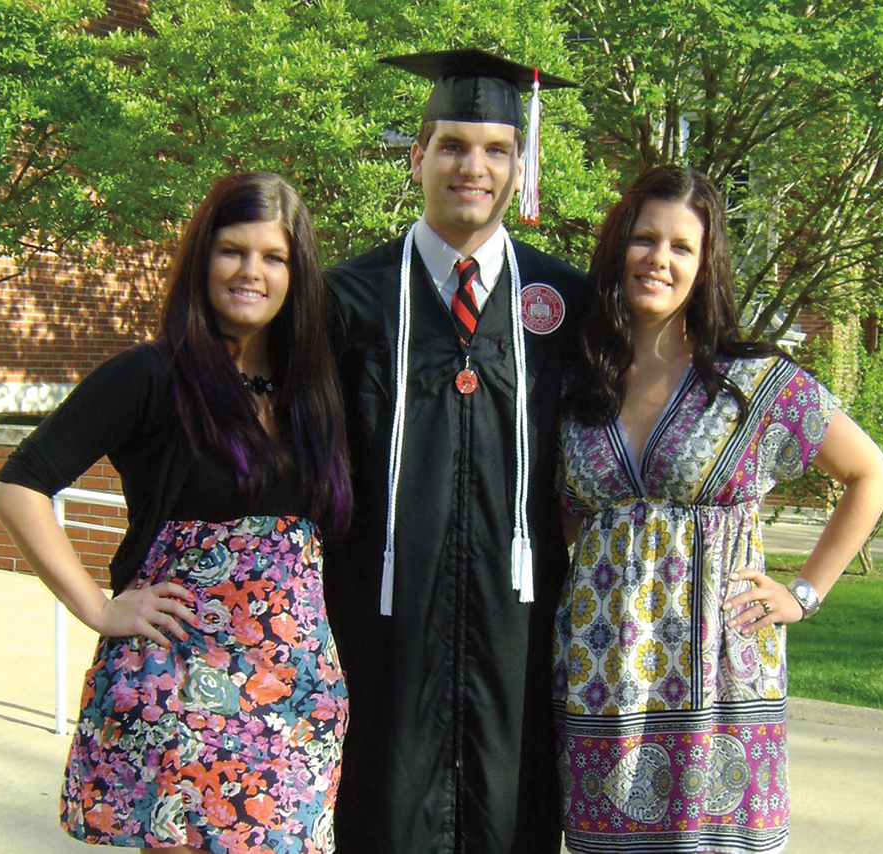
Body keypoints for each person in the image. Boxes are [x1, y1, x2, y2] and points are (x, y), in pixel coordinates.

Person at [0, 172, 352, 854]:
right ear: (201, 260)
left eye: (273, 257)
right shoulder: (154, 376)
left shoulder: (311, 392)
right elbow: (19, 486)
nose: (252, 271)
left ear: (296, 274)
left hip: (295, 704)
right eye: (232, 251)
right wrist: (99, 608)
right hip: (184, 695)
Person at [554, 164, 883, 853]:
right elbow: (568, 518)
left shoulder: (752, 381)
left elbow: (871, 474)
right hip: (603, 680)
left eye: (683, 247)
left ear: (706, 266)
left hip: (719, 675)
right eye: (644, 239)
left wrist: (804, 592)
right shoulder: (577, 378)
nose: (659, 259)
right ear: (617, 248)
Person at [323, 49, 586, 854]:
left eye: (497, 150)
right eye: (453, 147)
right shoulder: (346, 298)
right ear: (417, 159)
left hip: (522, 625)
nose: (475, 167)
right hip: (382, 623)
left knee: (514, 817)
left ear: (519, 165)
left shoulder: (565, 301)